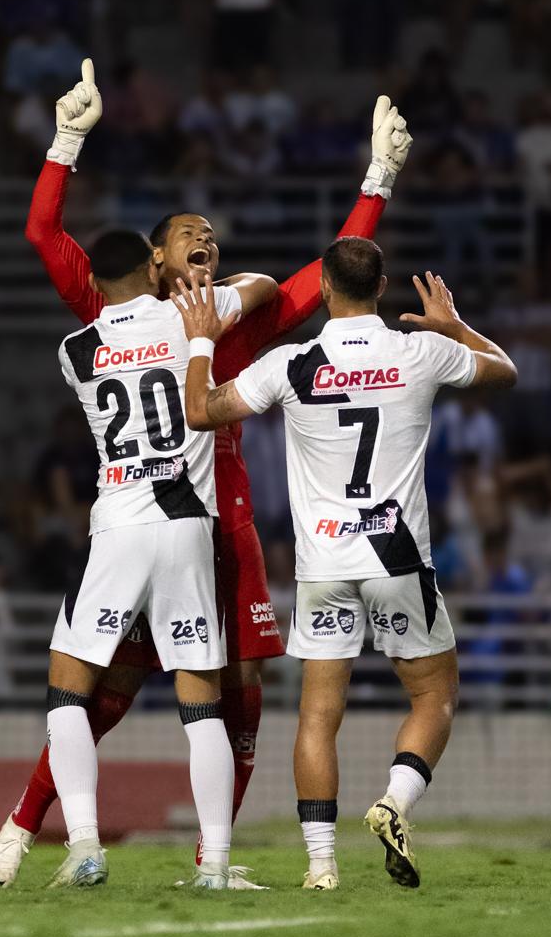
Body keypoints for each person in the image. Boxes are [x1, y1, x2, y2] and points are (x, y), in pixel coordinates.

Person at [0, 64, 411, 888]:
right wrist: (64, 145)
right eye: (188, 231)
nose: (205, 236)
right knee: (113, 692)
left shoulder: (233, 315)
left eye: (212, 230)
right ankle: (24, 821)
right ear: (155, 258)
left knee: (237, 694)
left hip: (225, 526)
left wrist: (377, 181)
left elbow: (327, 279)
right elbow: (45, 234)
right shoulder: (115, 313)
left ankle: (206, 858)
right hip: (168, 518)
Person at [175, 246, 516, 889]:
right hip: (396, 554)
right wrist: (454, 326)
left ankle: (321, 865)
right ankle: (395, 801)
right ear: (383, 287)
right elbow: (505, 370)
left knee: (317, 715)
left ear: (325, 287)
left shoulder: (292, 363)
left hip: (325, 560)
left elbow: (201, 411)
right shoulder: (419, 353)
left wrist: (199, 343)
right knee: (435, 694)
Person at [35, 225, 267, 891]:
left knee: (66, 691)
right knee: (201, 706)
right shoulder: (191, 314)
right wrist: (210, 293)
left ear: (97, 286)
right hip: (191, 526)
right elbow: (265, 289)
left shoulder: (74, 349)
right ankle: (216, 865)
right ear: (151, 265)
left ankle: (83, 847)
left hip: (119, 524)